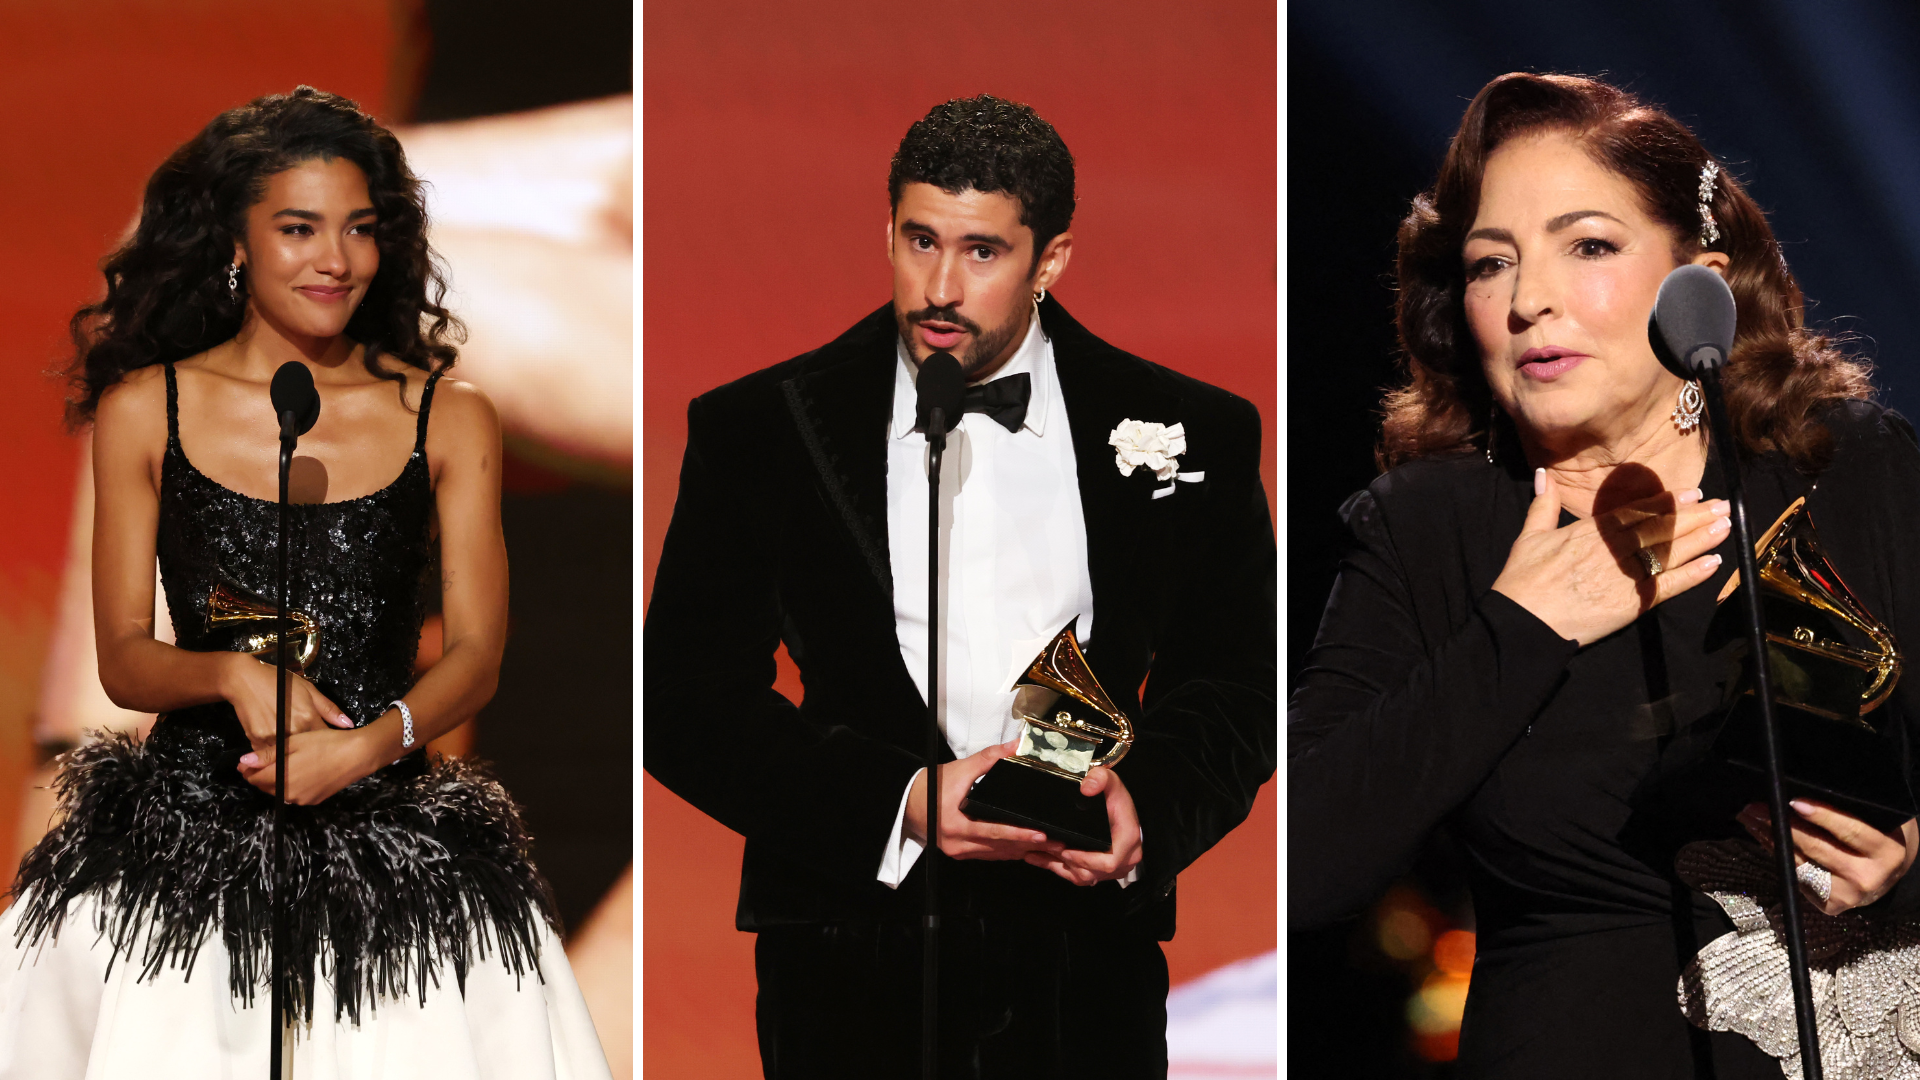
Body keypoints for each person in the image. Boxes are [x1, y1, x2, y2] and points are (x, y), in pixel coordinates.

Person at [1289, 71, 1920, 1078]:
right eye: (1491, 266)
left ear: (1697, 282)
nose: (1529, 299)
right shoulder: (1433, 529)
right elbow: (1300, 863)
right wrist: (1522, 624)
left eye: (1587, 246)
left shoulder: (1848, 467)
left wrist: (1911, 861)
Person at [644, 94, 1275, 1077]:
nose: (940, 285)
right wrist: (899, 798)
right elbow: (682, 700)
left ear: (1050, 259)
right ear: (887, 232)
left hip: (1084, 964)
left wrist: (1145, 808)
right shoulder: (759, 428)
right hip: (846, 958)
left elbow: (1243, 682)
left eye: (981, 252)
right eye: (918, 241)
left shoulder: (1194, 429)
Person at [0, 87, 611, 1079]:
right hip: (189, 836)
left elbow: (476, 654)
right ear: (236, 240)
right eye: (299, 229)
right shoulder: (144, 411)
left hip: (392, 844)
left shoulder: (449, 416)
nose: (335, 261)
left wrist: (369, 747)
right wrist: (232, 678)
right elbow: (125, 658)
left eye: (360, 231)